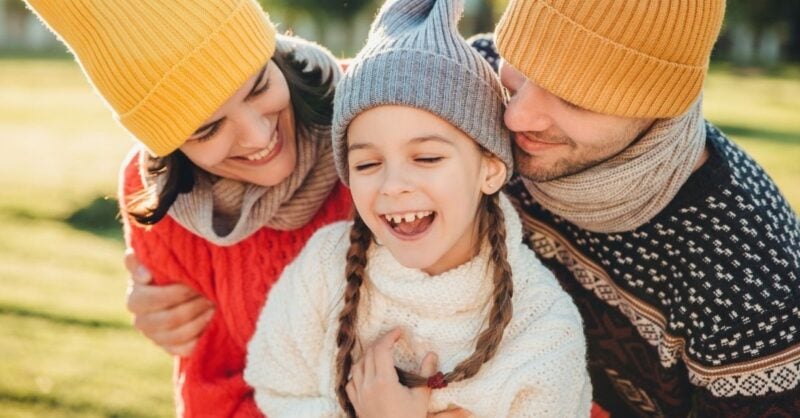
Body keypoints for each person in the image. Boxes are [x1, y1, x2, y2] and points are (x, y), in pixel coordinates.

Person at [244, 0, 590, 417]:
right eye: (367, 164)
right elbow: (277, 391)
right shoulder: (323, 269)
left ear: (491, 169)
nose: (393, 185)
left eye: (426, 158)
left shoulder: (544, 331)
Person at [466, 0, 800, 416]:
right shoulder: (474, 81)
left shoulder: (752, 289)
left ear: (658, 105)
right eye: (521, 65)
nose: (516, 117)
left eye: (573, 97)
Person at [25, 0, 352, 416]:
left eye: (259, 87)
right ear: (170, 145)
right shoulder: (156, 198)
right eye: (208, 128)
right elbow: (215, 389)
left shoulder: (382, 116)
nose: (257, 136)